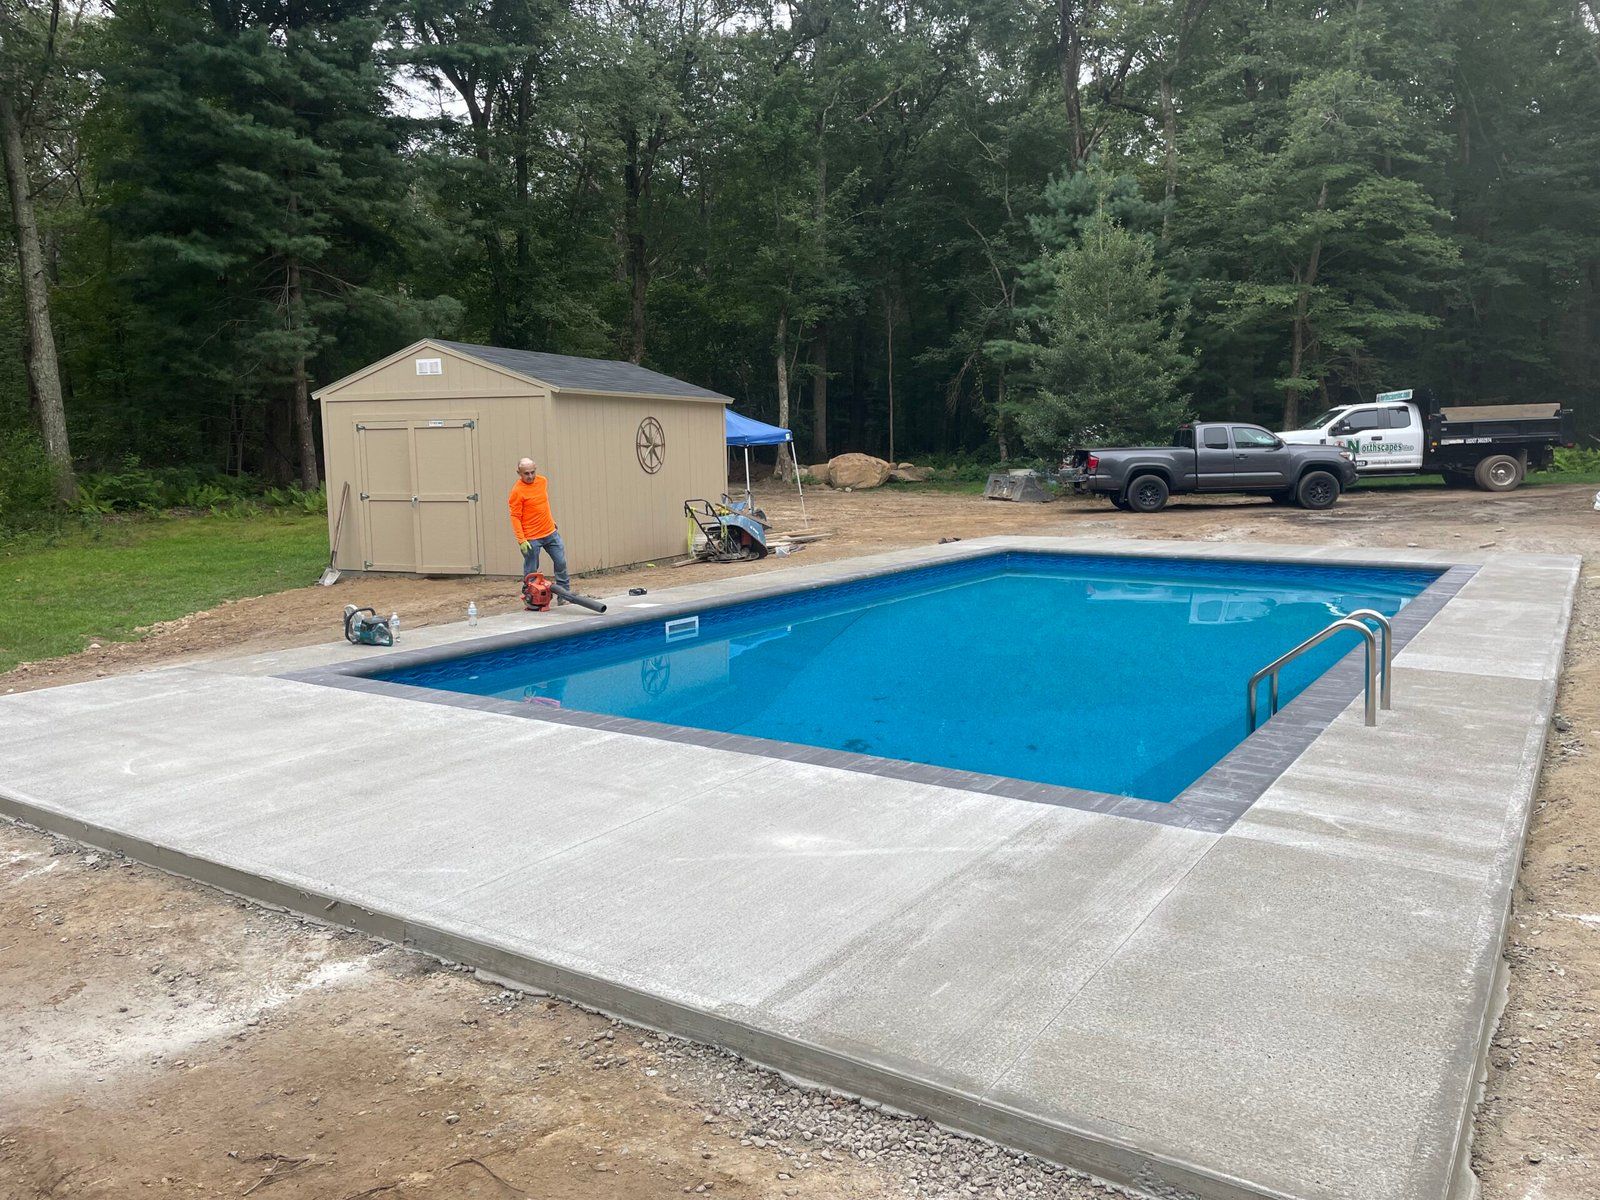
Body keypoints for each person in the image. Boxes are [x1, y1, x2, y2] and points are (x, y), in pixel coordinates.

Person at [508, 457, 570, 605]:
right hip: (531, 538)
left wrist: (551, 521)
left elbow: (542, 504)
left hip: (550, 532)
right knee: (531, 570)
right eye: (526, 473)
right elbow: (515, 517)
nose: (530, 476)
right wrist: (521, 540)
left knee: (560, 562)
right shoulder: (517, 491)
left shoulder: (542, 481)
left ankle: (564, 594)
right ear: (519, 473)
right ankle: (530, 596)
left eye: (532, 472)